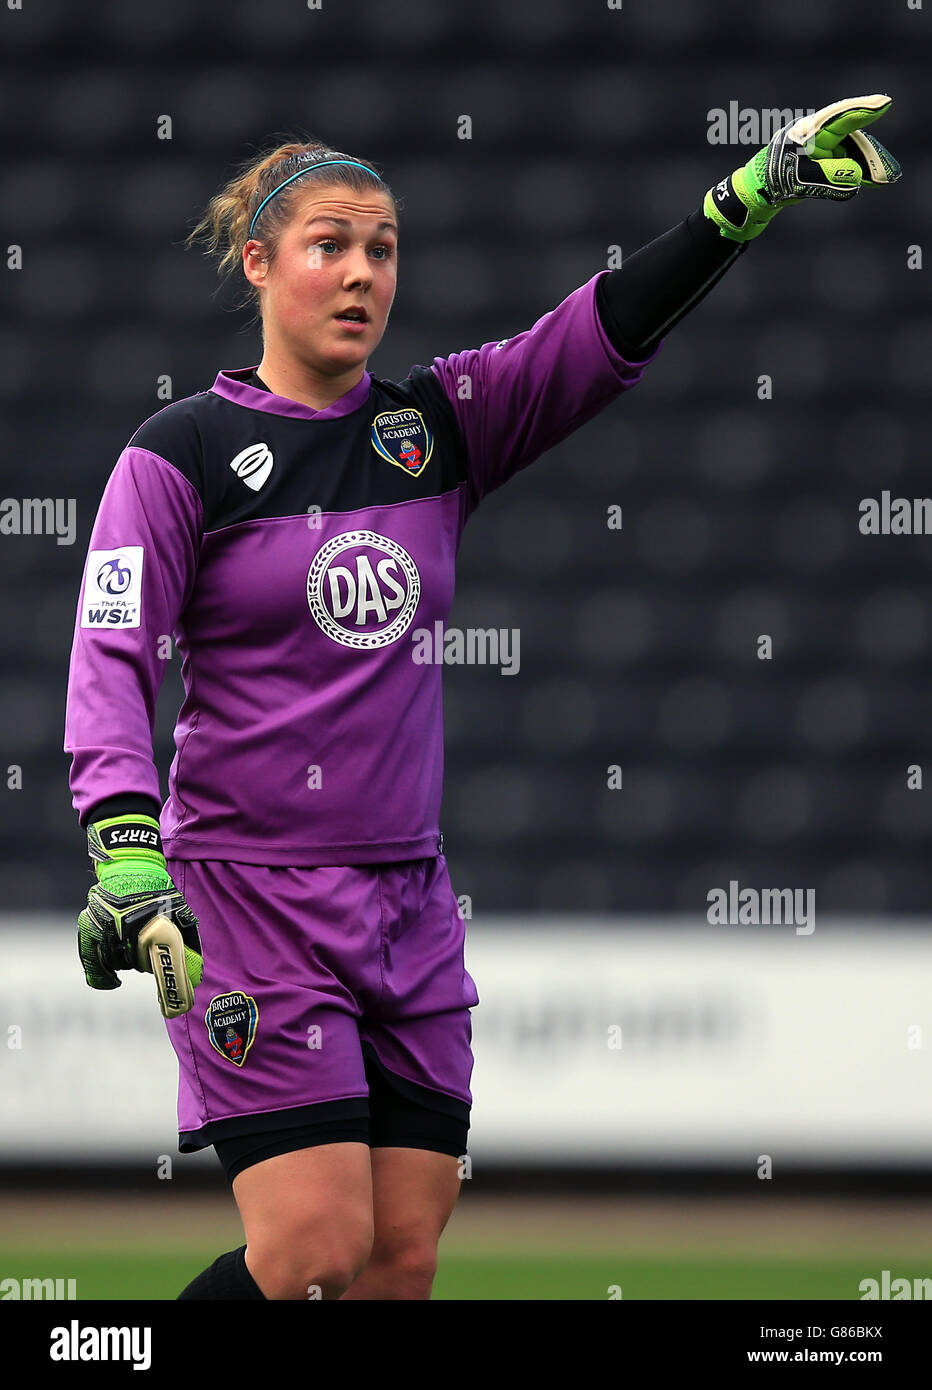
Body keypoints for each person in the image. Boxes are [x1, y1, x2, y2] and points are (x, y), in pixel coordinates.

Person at [64, 96, 900, 1300]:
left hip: (407, 903)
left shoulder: (433, 428)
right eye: (329, 246)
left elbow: (587, 337)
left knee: (399, 1263)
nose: (361, 273)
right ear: (258, 262)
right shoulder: (177, 455)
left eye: (383, 248)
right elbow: (110, 654)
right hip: (250, 898)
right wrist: (125, 851)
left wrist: (743, 199)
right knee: (311, 1255)